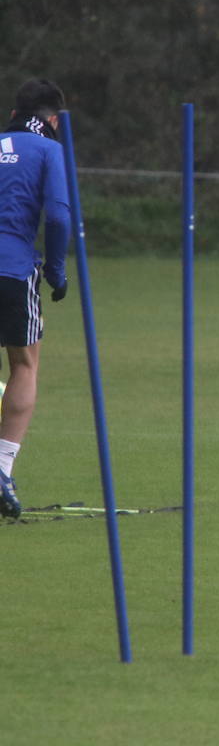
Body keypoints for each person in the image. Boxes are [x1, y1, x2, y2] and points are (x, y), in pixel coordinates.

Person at [0, 79, 71, 519]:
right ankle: (2, 469)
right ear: (53, 120)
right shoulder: (49, 150)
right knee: (24, 364)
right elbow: (59, 215)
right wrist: (57, 271)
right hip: (14, 266)